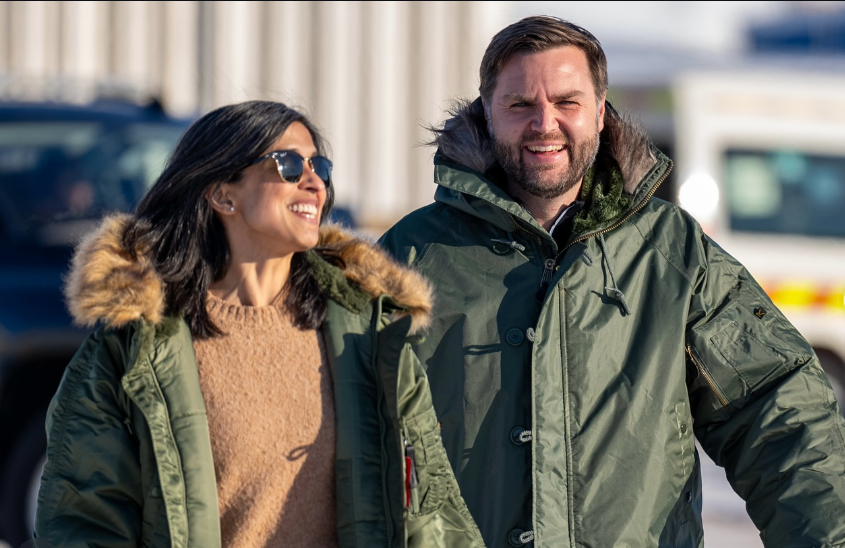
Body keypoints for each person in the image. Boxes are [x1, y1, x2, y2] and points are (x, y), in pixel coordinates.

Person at [379, 15, 845, 548]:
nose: (544, 123)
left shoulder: (671, 253)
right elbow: (347, 436)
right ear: (488, 113)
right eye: (520, 105)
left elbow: (778, 409)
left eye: (567, 102)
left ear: (601, 113)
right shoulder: (411, 257)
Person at [34, 100, 484, 548]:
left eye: (319, 166)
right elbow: (85, 525)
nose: (313, 183)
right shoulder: (135, 348)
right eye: (288, 164)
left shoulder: (370, 335)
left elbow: (431, 513)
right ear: (222, 194)